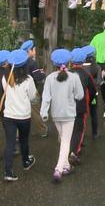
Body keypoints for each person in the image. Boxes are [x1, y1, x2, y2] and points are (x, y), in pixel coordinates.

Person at [40, 49, 84, 182]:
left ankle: (66, 166)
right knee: (65, 141)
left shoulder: (49, 78)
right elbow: (80, 95)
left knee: (62, 139)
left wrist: (43, 113)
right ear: (69, 62)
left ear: (54, 63)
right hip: (69, 114)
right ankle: (58, 169)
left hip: (55, 114)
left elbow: (46, 97)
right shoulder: (74, 77)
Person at [2, 50, 38, 182]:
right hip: (23, 116)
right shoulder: (28, 80)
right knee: (24, 140)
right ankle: (25, 162)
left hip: (9, 115)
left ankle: (8, 171)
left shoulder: (5, 78)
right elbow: (33, 97)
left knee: (10, 143)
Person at [68, 48, 96, 164]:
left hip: (67, 106)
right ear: (83, 59)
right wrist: (89, 102)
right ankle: (74, 151)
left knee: (69, 128)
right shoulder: (86, 74)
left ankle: (66, 150)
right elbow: (93, 90)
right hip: (81, 105)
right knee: (79, 129)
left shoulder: (67, 72)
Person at [20, 40, 48, 137]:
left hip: (20, 90)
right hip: (32, 90)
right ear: (29, 50)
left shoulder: (19, 61)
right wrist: (42, 74)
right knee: (36, 111)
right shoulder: (32, 62)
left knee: (19, 111)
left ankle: (18, 134)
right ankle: (42, 130)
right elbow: (37, 77)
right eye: (34, 49)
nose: (35, 51)